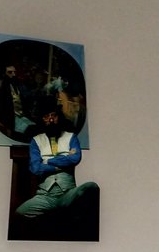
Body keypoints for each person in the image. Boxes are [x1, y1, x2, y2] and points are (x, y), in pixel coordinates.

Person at [14, 102, 99, 239]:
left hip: (68, 194)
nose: (51, 119)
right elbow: (35, 168)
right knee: (20, 212)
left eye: (54, 115)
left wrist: (47, 161)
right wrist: (60, 164)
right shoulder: (36, 141)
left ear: (59, 117)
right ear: (42, 120)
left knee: (92, 187)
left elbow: (75, 158)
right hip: (45, 196)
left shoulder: (71, 137)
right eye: (46, 117)